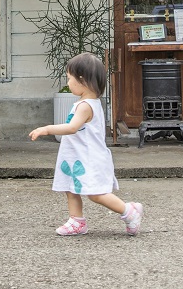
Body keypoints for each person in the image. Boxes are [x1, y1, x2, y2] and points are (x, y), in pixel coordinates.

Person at [29, 52, 144, 236]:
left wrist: (47, 129)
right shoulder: (86, 102)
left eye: (69, 79)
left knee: (95, 194)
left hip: (89, 158)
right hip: (78, 156)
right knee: (70, 188)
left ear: (82, 80)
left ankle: (128, 211)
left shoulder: (85, 106)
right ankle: (77, 220)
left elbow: (72, 127)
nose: (68, 83)